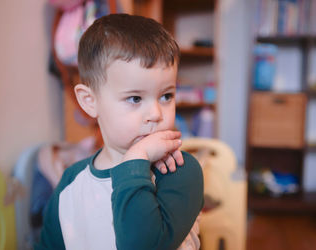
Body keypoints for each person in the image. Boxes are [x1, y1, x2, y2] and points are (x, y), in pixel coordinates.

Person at [35, 13, 204, 250]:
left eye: (166, 96)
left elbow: (142, 244)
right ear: (89, 101)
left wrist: (135, 161)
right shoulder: (70, 184)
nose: (156, 113)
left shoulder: (180, 172)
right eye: (135, 98)